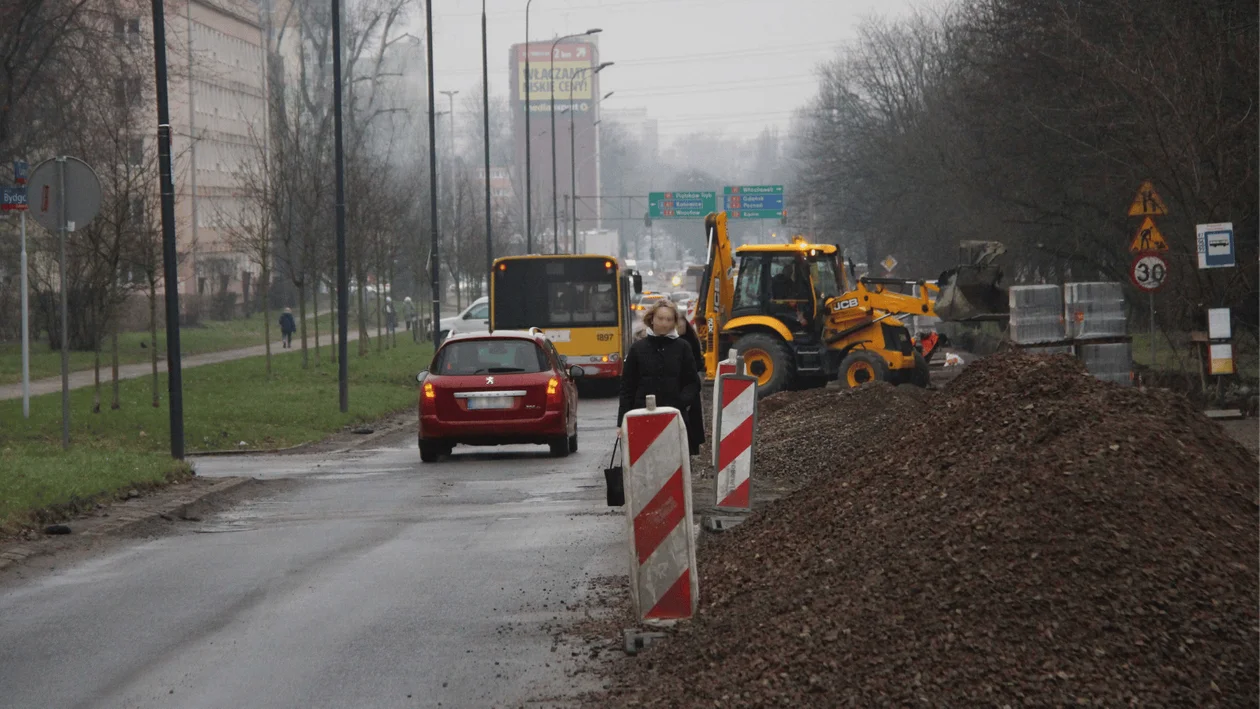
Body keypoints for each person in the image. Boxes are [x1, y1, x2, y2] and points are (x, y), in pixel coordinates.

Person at [618, 300, 704, 457]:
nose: (664, 323)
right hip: (641, 417)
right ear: (652, 319)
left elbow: (692, 383)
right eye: (660, 318)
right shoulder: (637, 348)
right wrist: (621, 422)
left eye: (669, 319)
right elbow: (627, 387)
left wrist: (679, 403)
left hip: (675, 418)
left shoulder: (683, 347)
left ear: (674, 322)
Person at [676, 313, 707, 455]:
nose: (679, 325)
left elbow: (699, 363)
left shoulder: (689, 341)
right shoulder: (676, 342)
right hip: (683, 390)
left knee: (689, 426)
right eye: (677, 323)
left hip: (688, 390)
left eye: (681, 322)